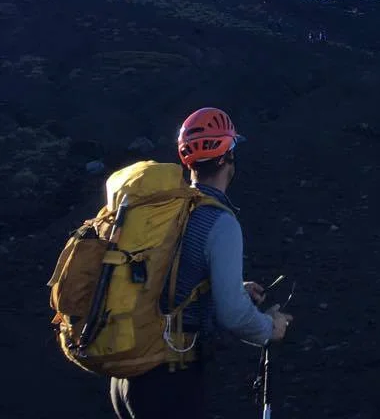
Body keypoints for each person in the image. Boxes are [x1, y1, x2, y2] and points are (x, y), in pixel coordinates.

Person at [109, 107, 293, 419]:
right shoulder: (218, 221)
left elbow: (167, 275)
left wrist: (231, 288)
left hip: (127, 370)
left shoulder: (166, 209)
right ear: (227, 157)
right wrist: (268, 329)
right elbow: (233, 315)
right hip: (169, 377)